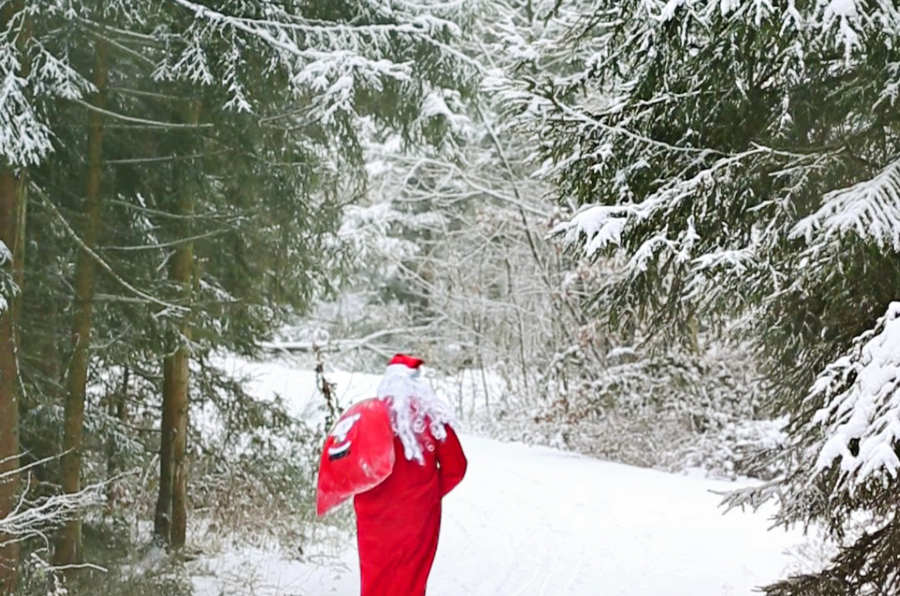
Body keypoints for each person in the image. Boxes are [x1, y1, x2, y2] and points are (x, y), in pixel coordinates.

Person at [352, 353, 467, 596]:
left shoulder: (366, 417)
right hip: (417, 517)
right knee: (411, 578)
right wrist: (428, 495)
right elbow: (456, 468)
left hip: (373, 517)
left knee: (375, 577)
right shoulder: (433, 419)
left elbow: (350, 469)